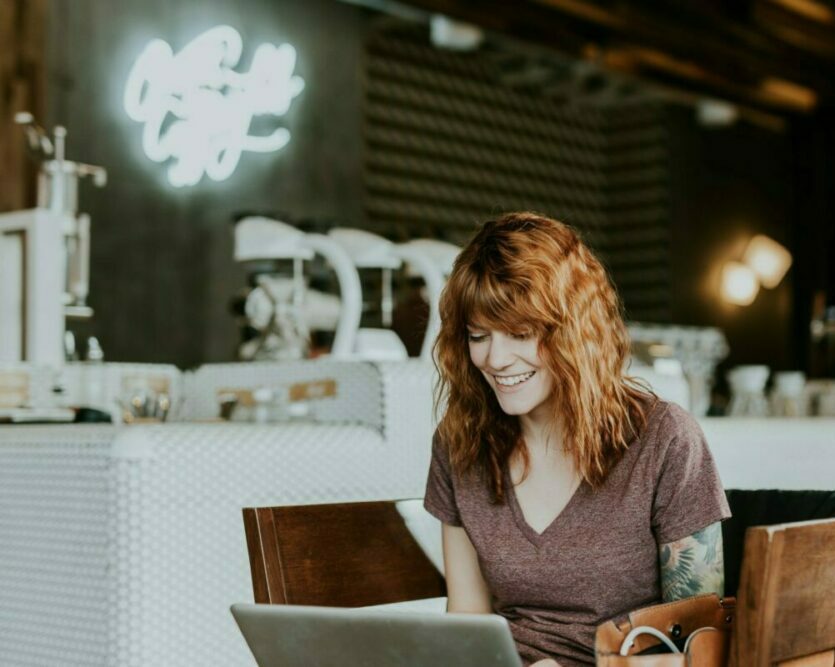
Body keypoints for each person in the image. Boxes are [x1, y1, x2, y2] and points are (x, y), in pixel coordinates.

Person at [424, 212, 731, 666]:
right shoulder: (460, 444)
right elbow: (467, 625)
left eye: (521, 334)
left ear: (573, 332)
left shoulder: (664, 439)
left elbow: (703, 649)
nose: (495, 358)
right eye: (478, 335)